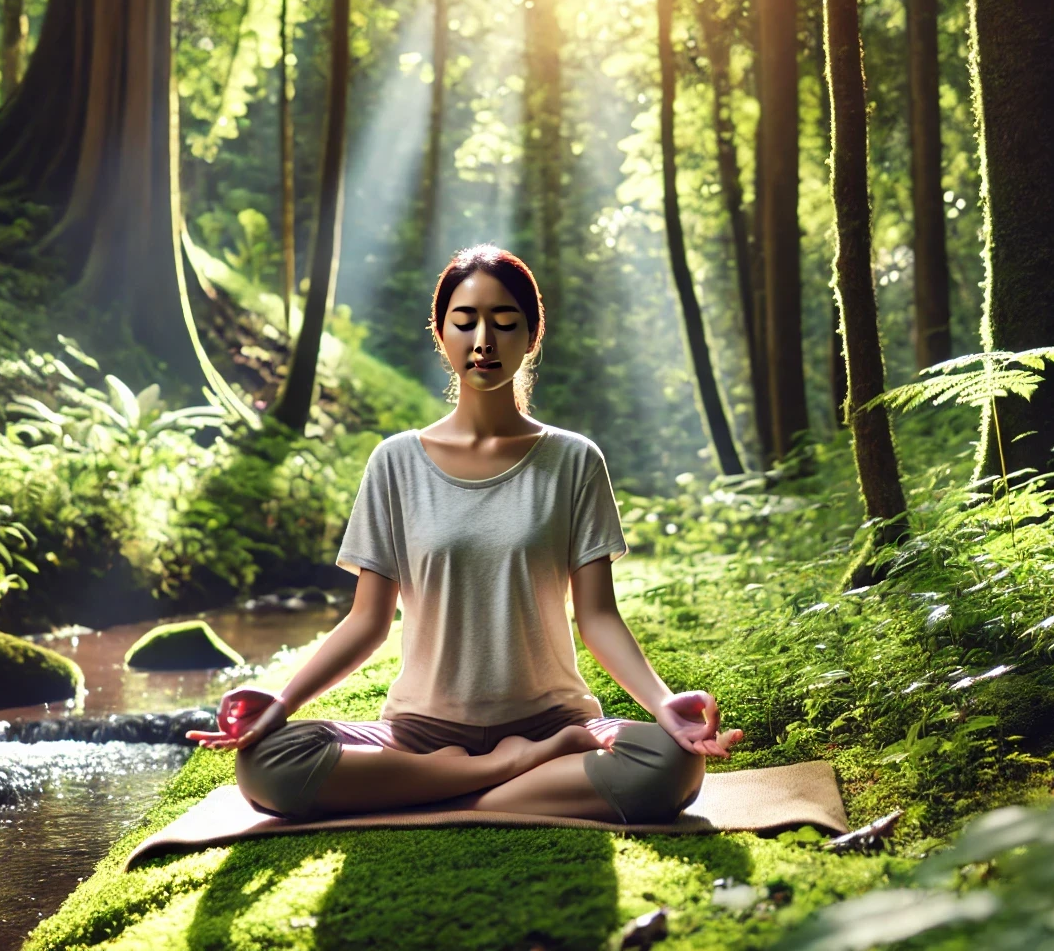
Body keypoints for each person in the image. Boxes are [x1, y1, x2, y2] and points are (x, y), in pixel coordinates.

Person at [185, 244, 744, 824]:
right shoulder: (395, 461)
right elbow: (367, 620)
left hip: (558, 724)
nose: (484, 340)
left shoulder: (574, 460)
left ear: (531, 337)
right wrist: (282, 702)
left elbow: (597, 615)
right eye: (466, 321)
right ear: (441, 333)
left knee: (668, 765)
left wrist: (662, 704)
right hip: (420, 733)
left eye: (505, 324)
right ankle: (510, 773)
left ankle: (437, 792)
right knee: (268, 764)